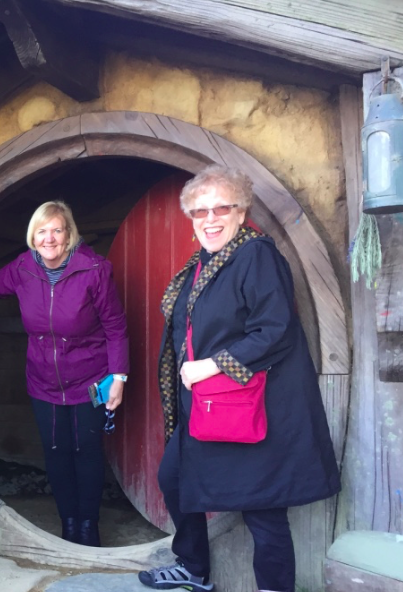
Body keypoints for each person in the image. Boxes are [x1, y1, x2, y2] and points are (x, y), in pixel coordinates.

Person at [137, 165, 340, 592]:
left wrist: (210, 365)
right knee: (174, 476)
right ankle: (193, 568)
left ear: (241, 210)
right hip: (210, 405)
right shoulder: (204, 263)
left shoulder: (255, 254)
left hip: (252, 407)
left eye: (220, 209)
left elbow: (275, 329)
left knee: (263, 509)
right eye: (199, 212)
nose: (210, 219)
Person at [0, 194, 129, 547]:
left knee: (87, 452)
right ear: (33, 236)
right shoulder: (23, 268)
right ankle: (68, 526)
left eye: (57, 231)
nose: (49, 238)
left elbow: (116, 327)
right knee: (57, 452)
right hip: (43, 381)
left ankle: (88, 527)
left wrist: (119, 378)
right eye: (42, 231)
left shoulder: (94, 271)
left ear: (69, 235)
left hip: (90, 380)